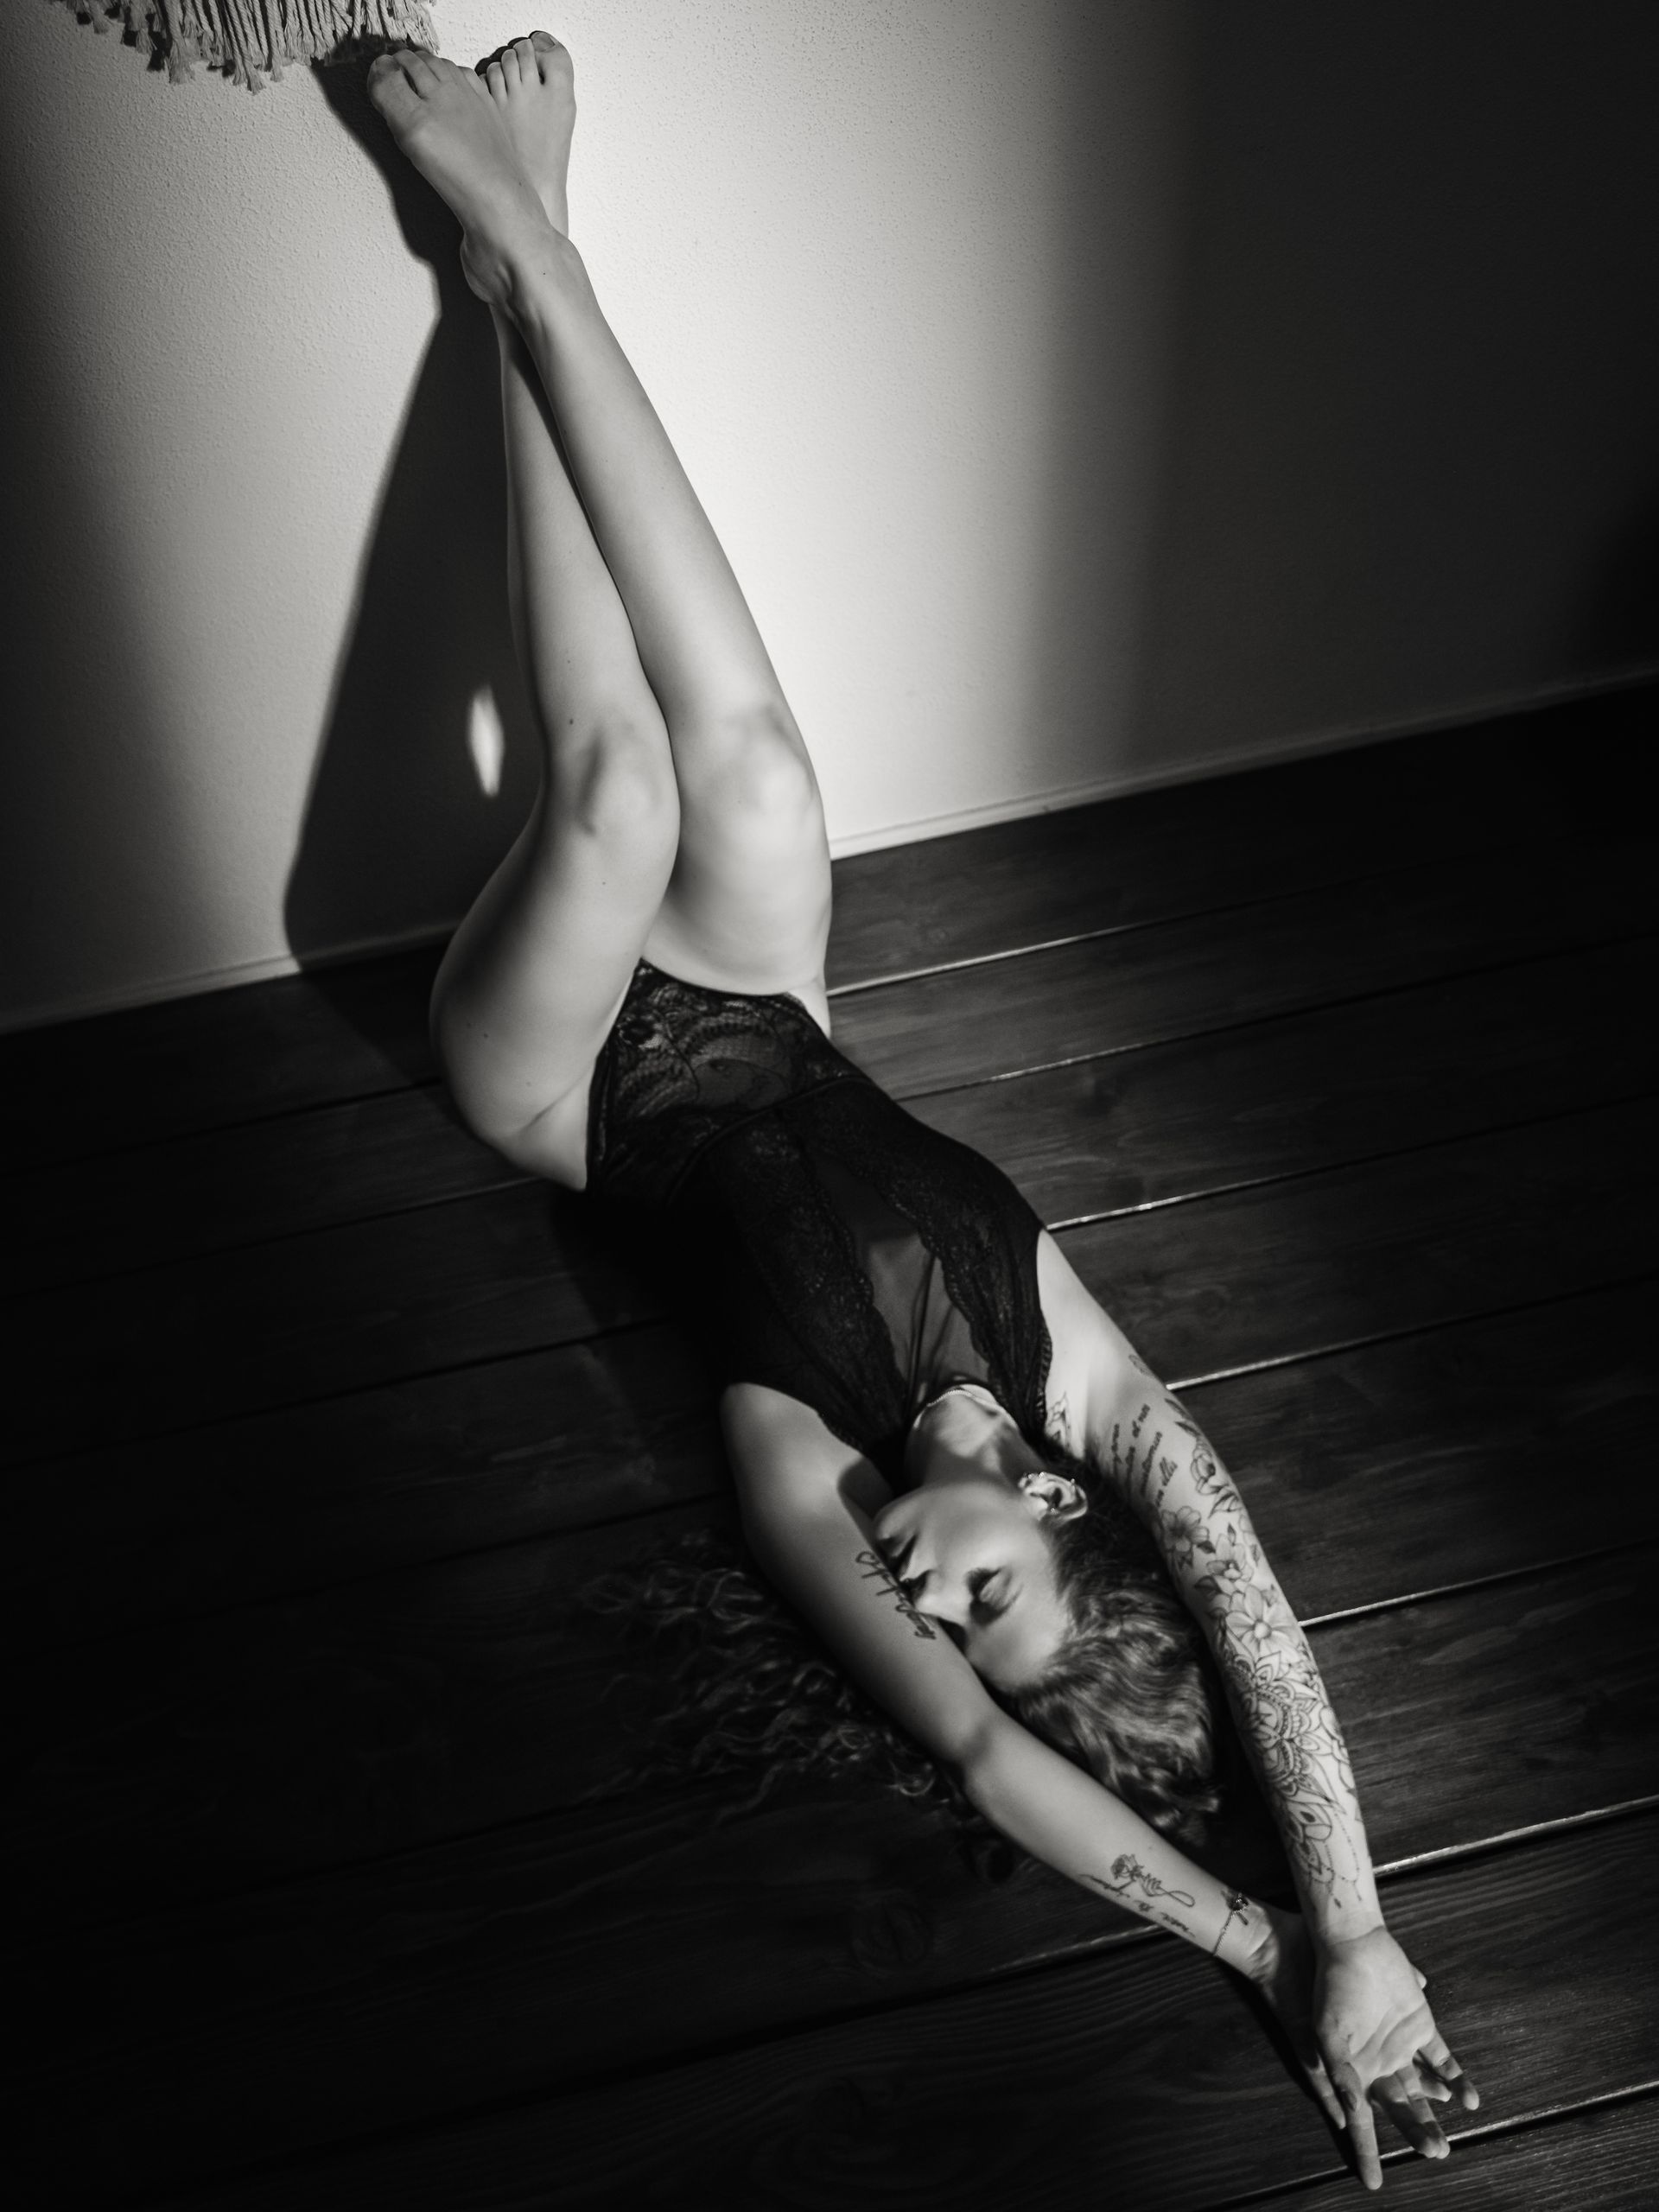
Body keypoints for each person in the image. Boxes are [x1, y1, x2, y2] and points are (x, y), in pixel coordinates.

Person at [365, 34, 1479, 2190]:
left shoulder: (802, 1463)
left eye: (943, 1628)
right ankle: (533, 242)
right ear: (1055, 1502)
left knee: (614, 795)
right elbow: (1248, 1596)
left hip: (569, 1083)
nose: (929, 1601)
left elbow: (976, 1755)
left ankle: (510, 234)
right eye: (990, 1595)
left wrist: (1260, 1946)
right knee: (756, 772)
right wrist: (1358, 1924)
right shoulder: (1077, 1374)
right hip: (769, 993)